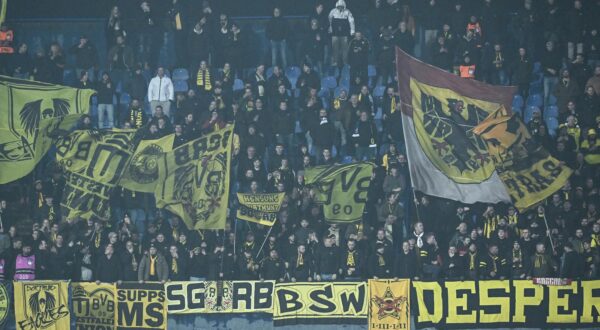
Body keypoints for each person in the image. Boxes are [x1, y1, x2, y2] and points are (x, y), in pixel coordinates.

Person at [328, 0, 355, 68]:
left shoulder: (347, 12)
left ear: (344, 6)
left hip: (344, 34)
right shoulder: (333, 11)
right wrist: (330, 27)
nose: (340, 8)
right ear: (337, 6)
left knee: (345, 49)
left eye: (341, 6)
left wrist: (352, 30)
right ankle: (335, 62)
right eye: (339, 6)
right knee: (335, 48)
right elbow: (329, 20)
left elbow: (351, 21)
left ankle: (345, 62)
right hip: (335, 33)